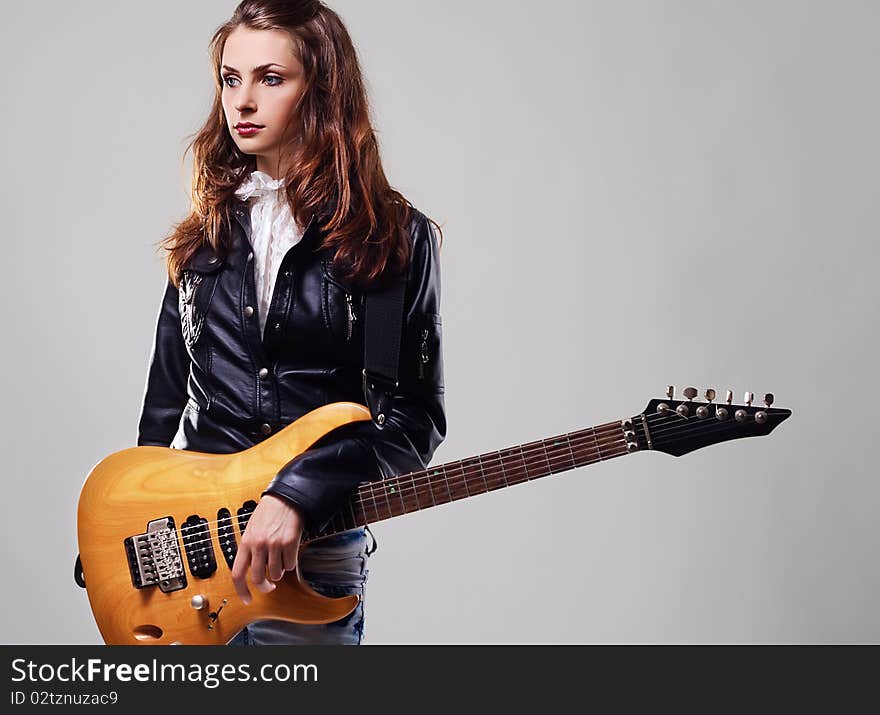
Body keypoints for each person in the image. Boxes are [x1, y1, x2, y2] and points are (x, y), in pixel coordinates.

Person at [136, 0, 446, 645]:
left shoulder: (391, 239)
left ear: (323, 90)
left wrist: (296, 494)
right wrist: (128, 530)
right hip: (188, 559)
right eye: (230, 78)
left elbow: (413, 423)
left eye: (270, 78)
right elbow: (162, 411)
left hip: (312, 561)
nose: (242, 101)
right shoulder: (202, 239)